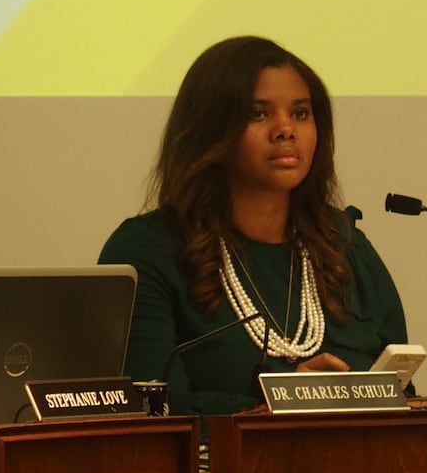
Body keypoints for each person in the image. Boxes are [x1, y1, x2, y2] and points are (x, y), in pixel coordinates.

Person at [99, 36, 407, 414]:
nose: (284, 130)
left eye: (300, 113)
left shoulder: (346, 245)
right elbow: (154, 409)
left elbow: (403, 392)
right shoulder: (148, 251)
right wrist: (282, 404)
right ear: (209, 129)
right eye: (258, 114)